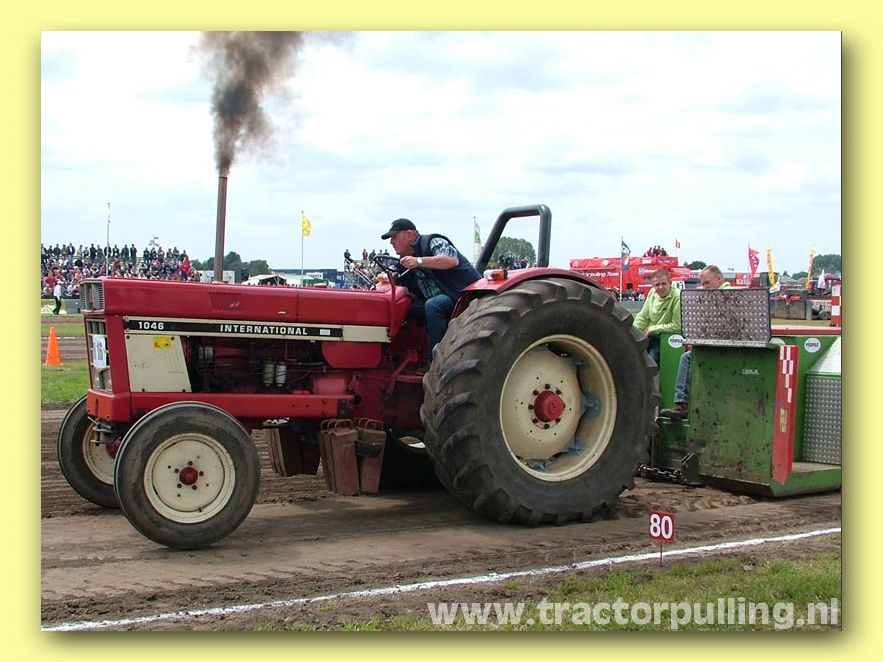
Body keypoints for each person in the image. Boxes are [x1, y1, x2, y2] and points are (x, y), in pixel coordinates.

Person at [381, 217, 481, 362]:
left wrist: (419, 261)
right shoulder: (406, 259)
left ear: (410, 235)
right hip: (437, 298)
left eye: (394, 236)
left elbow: (451, 260)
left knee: (434, 305)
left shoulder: (432, 242)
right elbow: (396, 275)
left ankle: (435, 363)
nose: (391, 242)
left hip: (460, 296)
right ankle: (400, 357)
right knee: (402, 307)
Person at [659, 265, 730, 420]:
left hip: (725, 349)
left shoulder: (724, 295)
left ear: (719, 278)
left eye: (707, 283)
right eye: (702, 284)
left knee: (687, 358)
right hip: (721, 346)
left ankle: (682, 404)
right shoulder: (722, 295)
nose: (704, 287)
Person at [633, 268, 682, 365]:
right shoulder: (652, 293)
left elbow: (677, 325)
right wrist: (633, 331)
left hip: (666, 339)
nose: (660, 287)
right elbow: (643, 316)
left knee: (651, 360)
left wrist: (653, 329)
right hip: (650, 336)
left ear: (670, 283)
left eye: (664, 284)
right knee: (633, 356)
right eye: (657, 285)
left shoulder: (678, 297)